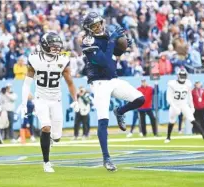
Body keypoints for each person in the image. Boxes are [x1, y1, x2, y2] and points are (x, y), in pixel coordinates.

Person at [81, 12, 145, 172]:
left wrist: (122, 48)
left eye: (99, 23)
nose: (99, 27)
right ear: (89, 29)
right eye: (94, 26)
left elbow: (114, 55)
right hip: (99, 82)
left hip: (113, 79)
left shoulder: (105, 35)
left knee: (140, 99)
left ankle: (120, 111)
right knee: (103, 120)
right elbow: (104, 61)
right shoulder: (88, 41)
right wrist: (111, 42)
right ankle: (106, 158)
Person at [21, 32, 79, 172]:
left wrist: (75, 100)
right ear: (45, 45)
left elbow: (70, 82)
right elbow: (27, 83)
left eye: (57, 46)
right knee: (46, 127)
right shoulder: (34, 59)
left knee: (57, 137)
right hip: (41, 99)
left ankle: (51, 139)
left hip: (56, 100)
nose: (56, 49)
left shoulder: (63, 60)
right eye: (53, 46)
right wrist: (24, 103)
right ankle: (46, 162)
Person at [165, 69, 204, 143]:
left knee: (192, 119)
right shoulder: (172, 84)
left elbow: (190, 96)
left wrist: (192, 106)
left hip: (183, 104)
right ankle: (168, 137)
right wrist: (174, 107)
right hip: (174, 104)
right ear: (178, 76)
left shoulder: (188, 84)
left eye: (184, 75)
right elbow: (168, 98)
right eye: (181, 75)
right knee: (172, 121)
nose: (182, 77)